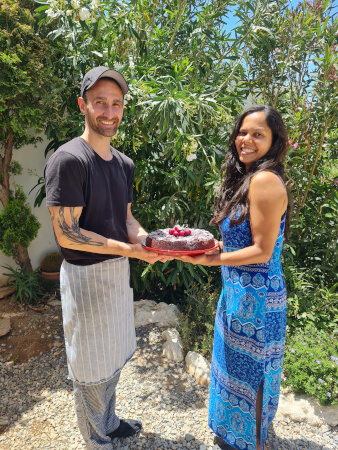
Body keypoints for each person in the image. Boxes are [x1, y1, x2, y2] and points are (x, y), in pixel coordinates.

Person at [44, 66, 169, 449]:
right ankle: (97, 440)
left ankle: (109, 422)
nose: (109, 112)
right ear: (83, 105)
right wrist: (131, 250)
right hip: (85, 280)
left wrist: (147, 242)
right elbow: (68, 232)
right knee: (90, 368)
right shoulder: (69, 160)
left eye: (116, 104)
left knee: (113, 358)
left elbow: (126, 219)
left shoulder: (124, 164)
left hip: (116, 274)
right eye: (100, 102)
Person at [180, 105, 289, 450]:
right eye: (243, 132)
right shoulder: (247, 178)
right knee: (235, 367)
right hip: (240, 294)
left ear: (274, 142)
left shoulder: (265, 180)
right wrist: (215, 246)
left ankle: (253, 443)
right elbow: (245, 237)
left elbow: (263, 251)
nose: (247, 139)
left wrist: (213, 259)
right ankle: (236, 434)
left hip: (258, 302)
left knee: (253, 374)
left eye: (258, 134)